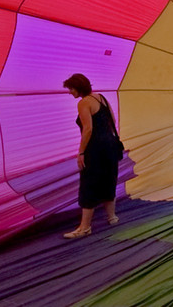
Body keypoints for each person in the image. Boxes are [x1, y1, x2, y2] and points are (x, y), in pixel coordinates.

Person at [62, 73, 122, 239]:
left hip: (96, 148)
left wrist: (81, 152)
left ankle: (85, 227)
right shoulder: (101, 98)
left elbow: (88, 129)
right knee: (109, 180)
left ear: (78, 87)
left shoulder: (84, 103)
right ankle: (112, 217)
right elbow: (113, 120)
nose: (69, 92)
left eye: (71, 88)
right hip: (110, 145)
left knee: (89, 183)